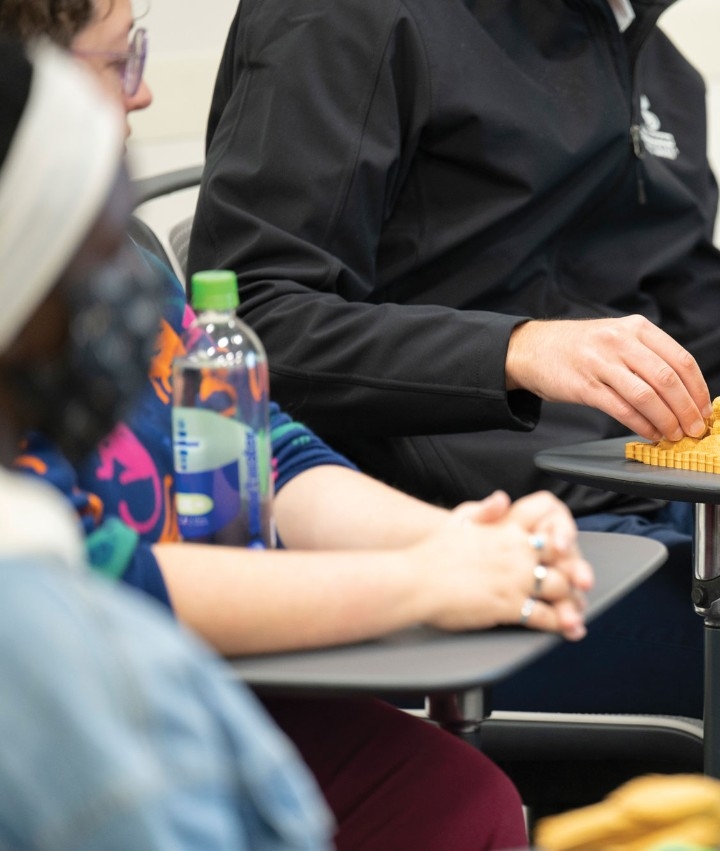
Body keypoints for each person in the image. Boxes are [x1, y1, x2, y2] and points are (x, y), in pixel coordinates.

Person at [190, 1, 720, 846]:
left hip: (651, 493)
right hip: (484, 538)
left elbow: (716, 356)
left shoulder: (650, 62)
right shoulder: (348, 18)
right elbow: (253, 318)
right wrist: (513, 350)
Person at [3, 1, 596, 848]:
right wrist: (424, 582)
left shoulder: (118, 257)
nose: (141, 95)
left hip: (197, 676)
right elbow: (101, 581)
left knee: (454, 800)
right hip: (71, 698)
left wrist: (464, 540)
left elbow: (267, 451)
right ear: (29, 83)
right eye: (120, 61)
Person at [0, 35, 333, 849]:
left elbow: (274, 448)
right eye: (107, 251)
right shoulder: (65, 665)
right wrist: (428, 579)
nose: (135, 294)